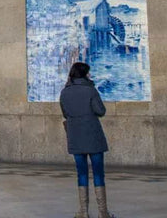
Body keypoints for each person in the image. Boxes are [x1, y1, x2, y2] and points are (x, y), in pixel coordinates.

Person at [60, 62, 115, 218]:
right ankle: (103, 212)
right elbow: (100, 110)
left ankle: (83, 212)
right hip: (93, 136)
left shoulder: (64, 92)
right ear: (84, 74)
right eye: (89, 73)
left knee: (81, 174)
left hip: (75, 136)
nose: (90, 75)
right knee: (98, 174)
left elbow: (65, 114)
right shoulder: (90, 90)